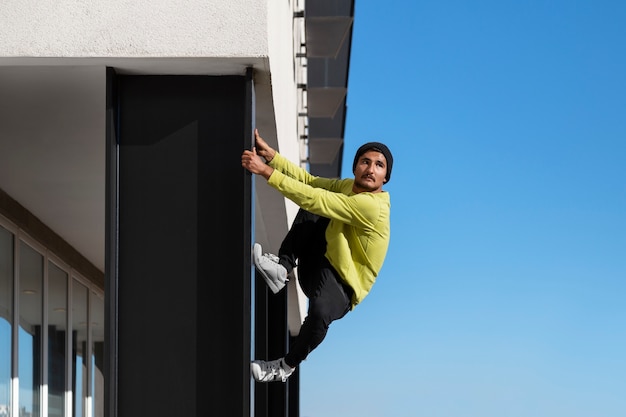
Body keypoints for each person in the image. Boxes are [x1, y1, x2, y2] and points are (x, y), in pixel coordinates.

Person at [241, 129, 393, 383]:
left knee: (320, 313)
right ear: (355, 166)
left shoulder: (373, 207)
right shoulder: (347, 187)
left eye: (379, 165)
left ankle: (284, 366)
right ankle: (282, 268)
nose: (371, 169)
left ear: (385, 177)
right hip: (318, 262)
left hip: (343, 287)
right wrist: (273, 158)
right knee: (315, 202)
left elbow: (316, 198)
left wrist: (265, 172)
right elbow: (310, 183)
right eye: (365, 161)